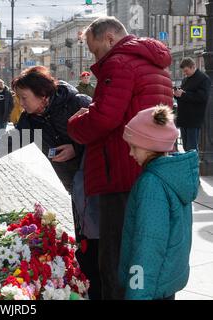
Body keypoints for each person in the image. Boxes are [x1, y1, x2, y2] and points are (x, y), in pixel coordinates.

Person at [0, 66, 101, 299]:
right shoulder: (32, 122)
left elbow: (107, 135)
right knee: (86, 248)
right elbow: (0, 147)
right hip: (77, 189)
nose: (20, 104)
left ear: (43, 95)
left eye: (24, 98)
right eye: (18, 98)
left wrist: (77, 147)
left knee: (102, 247)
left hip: (102, 185)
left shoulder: (77, 103)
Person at [67, 16, 173, 300]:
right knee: (149, 249)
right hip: (152, 169)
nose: (94, 57)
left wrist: (75, 124)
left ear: (110, 39)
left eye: (95, 49)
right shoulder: (155, 64)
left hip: (120, 171)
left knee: (115, 256)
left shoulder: (119, 62)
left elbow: (104, 118)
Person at [119, 105, 198, 300]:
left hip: (149, 288)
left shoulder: (151, 183)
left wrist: (137, 293)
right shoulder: (172, 174)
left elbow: (148, 244)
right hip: (165, 281)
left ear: (148, 145)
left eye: (133, 147)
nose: (130, 153)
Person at [173, 57, 211, 152]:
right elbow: (183, 95)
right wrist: (177, 95)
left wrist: (184, 94)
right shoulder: (185, 79)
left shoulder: (203, 79)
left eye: (186, 71)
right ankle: (188, 165)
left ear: (193, 67)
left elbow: (202, 97)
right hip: (184, 118)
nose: (185, 73)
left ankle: (193, 166)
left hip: (194, 118)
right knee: (186, 146)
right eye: (183, 72)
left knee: (192, 147)